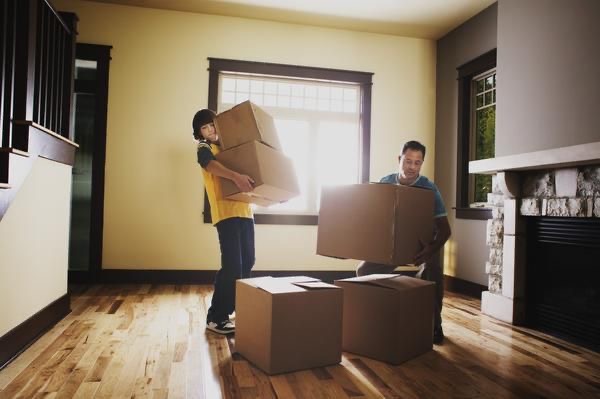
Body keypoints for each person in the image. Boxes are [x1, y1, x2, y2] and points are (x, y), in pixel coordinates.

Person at [356, 140, 451, 344]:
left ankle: (434, 325)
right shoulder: (386, 182)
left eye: (417, 163)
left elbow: (445, 230)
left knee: (431, 274)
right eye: (408, 161)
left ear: (422, 164)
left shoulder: (429, 189)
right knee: (363, 271)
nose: (412, 167)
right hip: (396, 242)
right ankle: (380, 318)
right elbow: (377, 219)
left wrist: (429, 252)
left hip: (426, 244)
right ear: (399, 160)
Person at [192, 109, 256, 335]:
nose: (210, 130)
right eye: (204, 127)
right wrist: (236, 177)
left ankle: (242, 310)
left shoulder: (232, 149)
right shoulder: (204, 148)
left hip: (245, 212)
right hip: (225, 213)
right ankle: (216, 317)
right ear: (199, 133)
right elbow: (209, 165)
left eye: (212, 125)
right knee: (232, 266)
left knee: (248, 261)